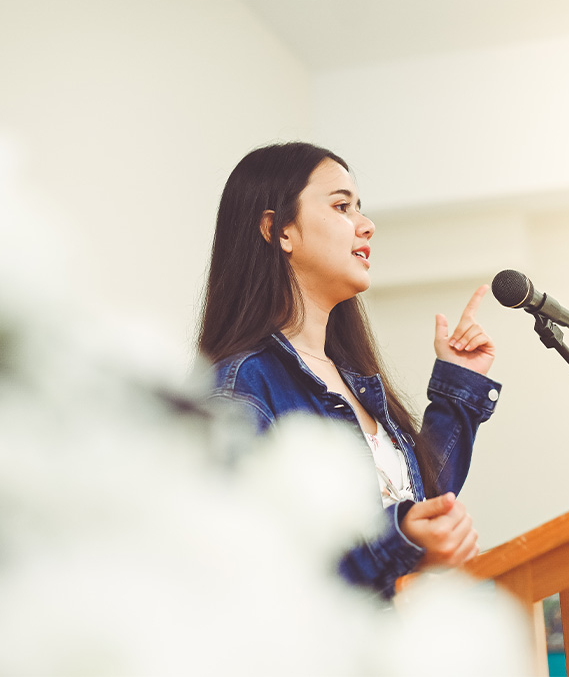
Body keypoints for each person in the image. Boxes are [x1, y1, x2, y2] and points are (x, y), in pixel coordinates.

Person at [198, 142, 502, 599]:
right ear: (278, 229)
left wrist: (459, 386)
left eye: (360, 208)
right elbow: (253, 567)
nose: (367, 225)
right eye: (342, 206)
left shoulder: (352, 377)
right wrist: (397, 541)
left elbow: (418, 503)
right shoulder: (242, 386)